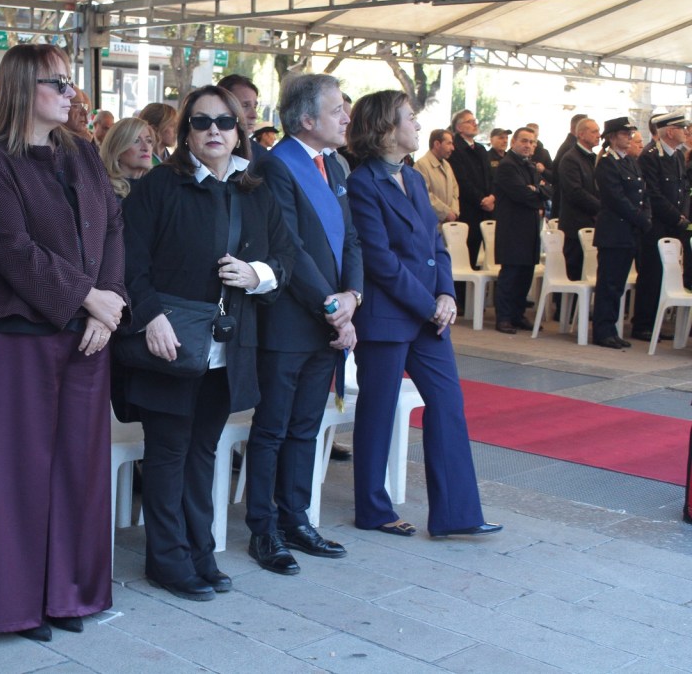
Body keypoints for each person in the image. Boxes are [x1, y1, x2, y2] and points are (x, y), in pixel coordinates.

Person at [0, 45, 127, 641]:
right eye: (57, 83)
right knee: (23, 473)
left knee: (81, 471)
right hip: (21, 333)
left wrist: (106, 308)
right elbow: (11, 249)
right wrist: (87, 297)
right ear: (21, 87)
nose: (71, 93)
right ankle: (19, 607)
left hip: (89, 333)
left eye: (70, 83)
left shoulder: (82, 151)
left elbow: (113, 228)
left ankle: (70, 595)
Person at [119, 84, 295, 600]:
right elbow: (129, 262)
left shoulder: (254, 188)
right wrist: (149, 318)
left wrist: (256, 272)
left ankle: (200, 552)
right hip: (167, 342)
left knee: (203, 452)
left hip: (228, 346)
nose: (213, 131)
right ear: (185, 132)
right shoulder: (157, 186)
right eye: (200, 122)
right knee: (169, 453)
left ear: (239, 129)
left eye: (224, 121)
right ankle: (167, 560)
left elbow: (284, 256)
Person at [346, 89, 500, 539]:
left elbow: (437, 244)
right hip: (387, 316)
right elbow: (378, 259)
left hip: (428, 314)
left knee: (449, 404)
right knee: (377, 411)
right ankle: (372, 509)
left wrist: (447, 295)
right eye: (409, 118)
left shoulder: (412, 178)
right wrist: (429, 302)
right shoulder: (362, 183)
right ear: (385, 129)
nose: (417, 125)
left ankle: (457, 513)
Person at [244, 73, 362, 576]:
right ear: (307, 119)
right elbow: (288, 247)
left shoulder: (334, 163)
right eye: (338, 110)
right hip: (291, 322)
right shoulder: (276, 166)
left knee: (306, 428)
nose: (347, 118)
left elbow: (352, 238)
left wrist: (353, 296)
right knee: (272, 429)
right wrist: (334, 308)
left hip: (329, 320)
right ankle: (263, 529)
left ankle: (296, 518)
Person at [631, 110, 690, 341]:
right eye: (682, 128)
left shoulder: (676, 155)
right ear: (670, 131)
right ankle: (643, 324)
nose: (686, 132)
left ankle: (655, 321)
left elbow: (683, 189)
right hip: (655, 225)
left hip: (672, 225)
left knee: (665, 275)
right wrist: (677, 217)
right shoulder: (650, 156)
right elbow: (653, 195)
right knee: (651, 274)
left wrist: (682, 216)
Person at [592, 117, 651, 349]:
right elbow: (616, 198)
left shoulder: (630, 162)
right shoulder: (607, 163)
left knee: (618, 284)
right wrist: (640, 218)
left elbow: (643, 192)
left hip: (628, 232)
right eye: (625, 133)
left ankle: (612, 329)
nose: (629, 137)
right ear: (613, 136)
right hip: (614, 232)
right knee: (609, 284)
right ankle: (603, 331)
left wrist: (646, 215)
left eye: (630, 133)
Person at [492, 127, 552, 334]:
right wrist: (537, 192)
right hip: (512, 227)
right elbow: (522, 195)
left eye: (532, 142)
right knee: (511, 273)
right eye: (524, 141)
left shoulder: (531, 166)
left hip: (530, 227)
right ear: (513, 143)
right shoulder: (507, 166)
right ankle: (504, 317)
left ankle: (517, 314)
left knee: (526, 273)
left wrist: (538, 190)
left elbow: (548, 189)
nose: (528, 145)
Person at [447, 109, 495, 268]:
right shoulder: (456, 149)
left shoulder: (481, 149)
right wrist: (481, 200)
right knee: (463, 260)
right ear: (459, 127)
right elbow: (461, 180)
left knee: (476, 259)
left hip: (485, 210)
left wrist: (492, 197)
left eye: (475, 121)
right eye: (470, 121)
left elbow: (490, 176)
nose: (475, 124)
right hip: (468, 209)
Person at [557, 118, 601, 283]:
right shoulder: (571, 158)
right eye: (594, 131)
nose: (599, 135)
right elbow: (575, 192)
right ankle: (565, 308)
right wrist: (601, 207)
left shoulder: (592, 158)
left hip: (590, 222)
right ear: (581, 134)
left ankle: (579, 309)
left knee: (586, 271)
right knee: (573, 273)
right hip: (575, 225)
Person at [99, 116, 154, 199]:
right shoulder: (104, 192)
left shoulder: (157, 186)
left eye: (149, 141)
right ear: (117, 149)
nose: (146, 148)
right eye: (136, 141)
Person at [218, 74, 267, 160]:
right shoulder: (202, 151)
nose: (254, 115)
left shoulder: (262, 158)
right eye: (245, 105)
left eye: (255, 107)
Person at [416, 128, 460, 223]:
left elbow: (455, 190)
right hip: (432, 225)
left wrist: (454, 211)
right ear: (437, 144)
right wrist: (445, 213)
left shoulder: (447, 165)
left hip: (449, 224)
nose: (453, 148)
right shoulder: (421, 165)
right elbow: (423, 194)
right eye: (449, 143)